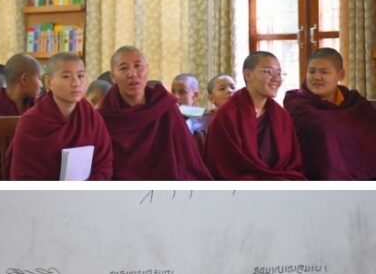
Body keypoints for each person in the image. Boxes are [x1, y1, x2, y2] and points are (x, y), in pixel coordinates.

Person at [98, 46, 211, 180]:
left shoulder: (164, 105)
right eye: (123, 68)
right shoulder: (106, 115)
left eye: (138, 66)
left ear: (147, 70)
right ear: (113, 77)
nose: (133, 74)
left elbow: (186, 157)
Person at [9, 53, 113, 180]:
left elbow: (104, 164)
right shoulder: (31, 122)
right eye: (66, 76)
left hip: (86, 195)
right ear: (49, 82)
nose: (76, 83)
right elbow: (23, 176)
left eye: (80, 76)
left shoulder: (91, 117)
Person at [204, 52, 305, 180]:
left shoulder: (281, 116)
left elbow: (293, 163)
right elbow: (224, 168)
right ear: (248, 75)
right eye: (268, 72)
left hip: (278, 183)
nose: (276, 79)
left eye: (279, 73)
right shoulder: (227, 116)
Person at [283, 48, 376, 180]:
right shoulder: (296, 102)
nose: (317, 77)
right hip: (317, 181)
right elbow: (318, 125)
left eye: (324, 72)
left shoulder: (355, 103)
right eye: (312, 71)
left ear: (340, 75)